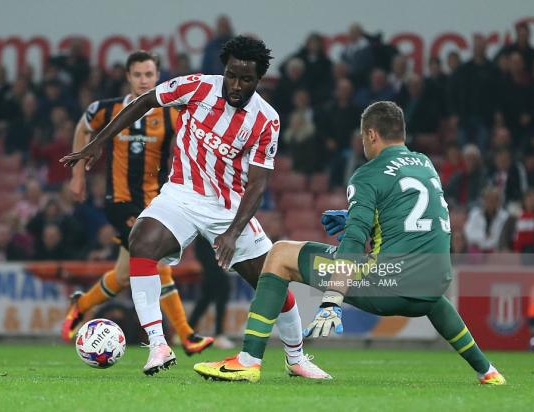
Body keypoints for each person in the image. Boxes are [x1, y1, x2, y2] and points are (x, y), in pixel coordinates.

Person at [61, 36, 329, 379]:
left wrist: (233, 232)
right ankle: (158, 344)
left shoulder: (267, 120)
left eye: (246, 79)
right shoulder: (197, 87)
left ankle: (296, 358)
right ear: (224, 70)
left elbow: (258, 184)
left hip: (229, 207)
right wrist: (96, 144)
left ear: (258, 79)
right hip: (181, 195)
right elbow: (144, 102)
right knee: (141, 242)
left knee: (273, 280)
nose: (236, 85)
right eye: (231, 75)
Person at [193, 101, 506, 385]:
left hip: (389, 284)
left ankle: (248, 361)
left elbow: (355, 241)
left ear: (371, 134)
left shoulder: (368, 174)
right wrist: (360, 216)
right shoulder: (425, 164)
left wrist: (332, 300)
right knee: (427, 286)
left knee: (280, 254)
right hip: (435, 283)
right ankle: (487, 371)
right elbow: (415, 220)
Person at [60, 51, 214, 357]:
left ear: (158, 77)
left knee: (122, 276)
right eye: (138, 75)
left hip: (156, 203)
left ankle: (81, 304)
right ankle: (187, 335)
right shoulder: (108, 109)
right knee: (157, 264)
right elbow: (83, 125)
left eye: (149, 75)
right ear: (128, 77)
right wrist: (78, 176)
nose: (144, 80)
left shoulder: (170, 112)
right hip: (120, 203)